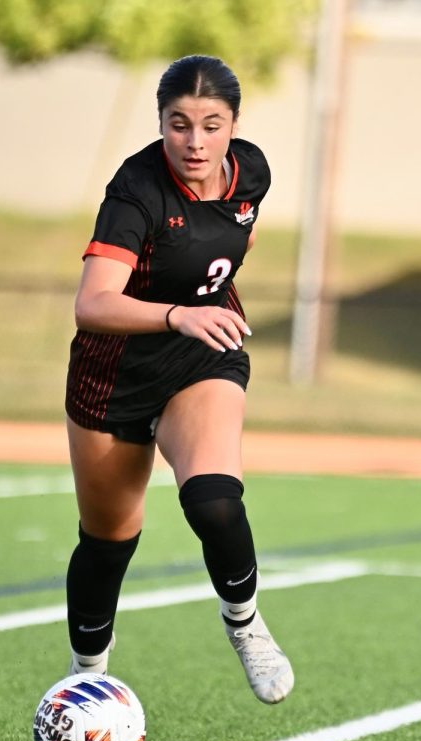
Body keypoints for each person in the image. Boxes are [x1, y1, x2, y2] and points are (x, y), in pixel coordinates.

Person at [62, 55, 293, 704]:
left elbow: (231, 239)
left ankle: (246, 625)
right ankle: (87, 679)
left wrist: (201, 310)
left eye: (211, 126)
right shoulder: (136, 192)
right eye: (179, 124)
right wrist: (174, 312)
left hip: (201, 356)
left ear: (234, 126)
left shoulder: (253, 172)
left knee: (215, 500)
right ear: (160, 123)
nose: (195, 142)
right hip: (114, 373)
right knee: (109, 539)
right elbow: (93, 302)